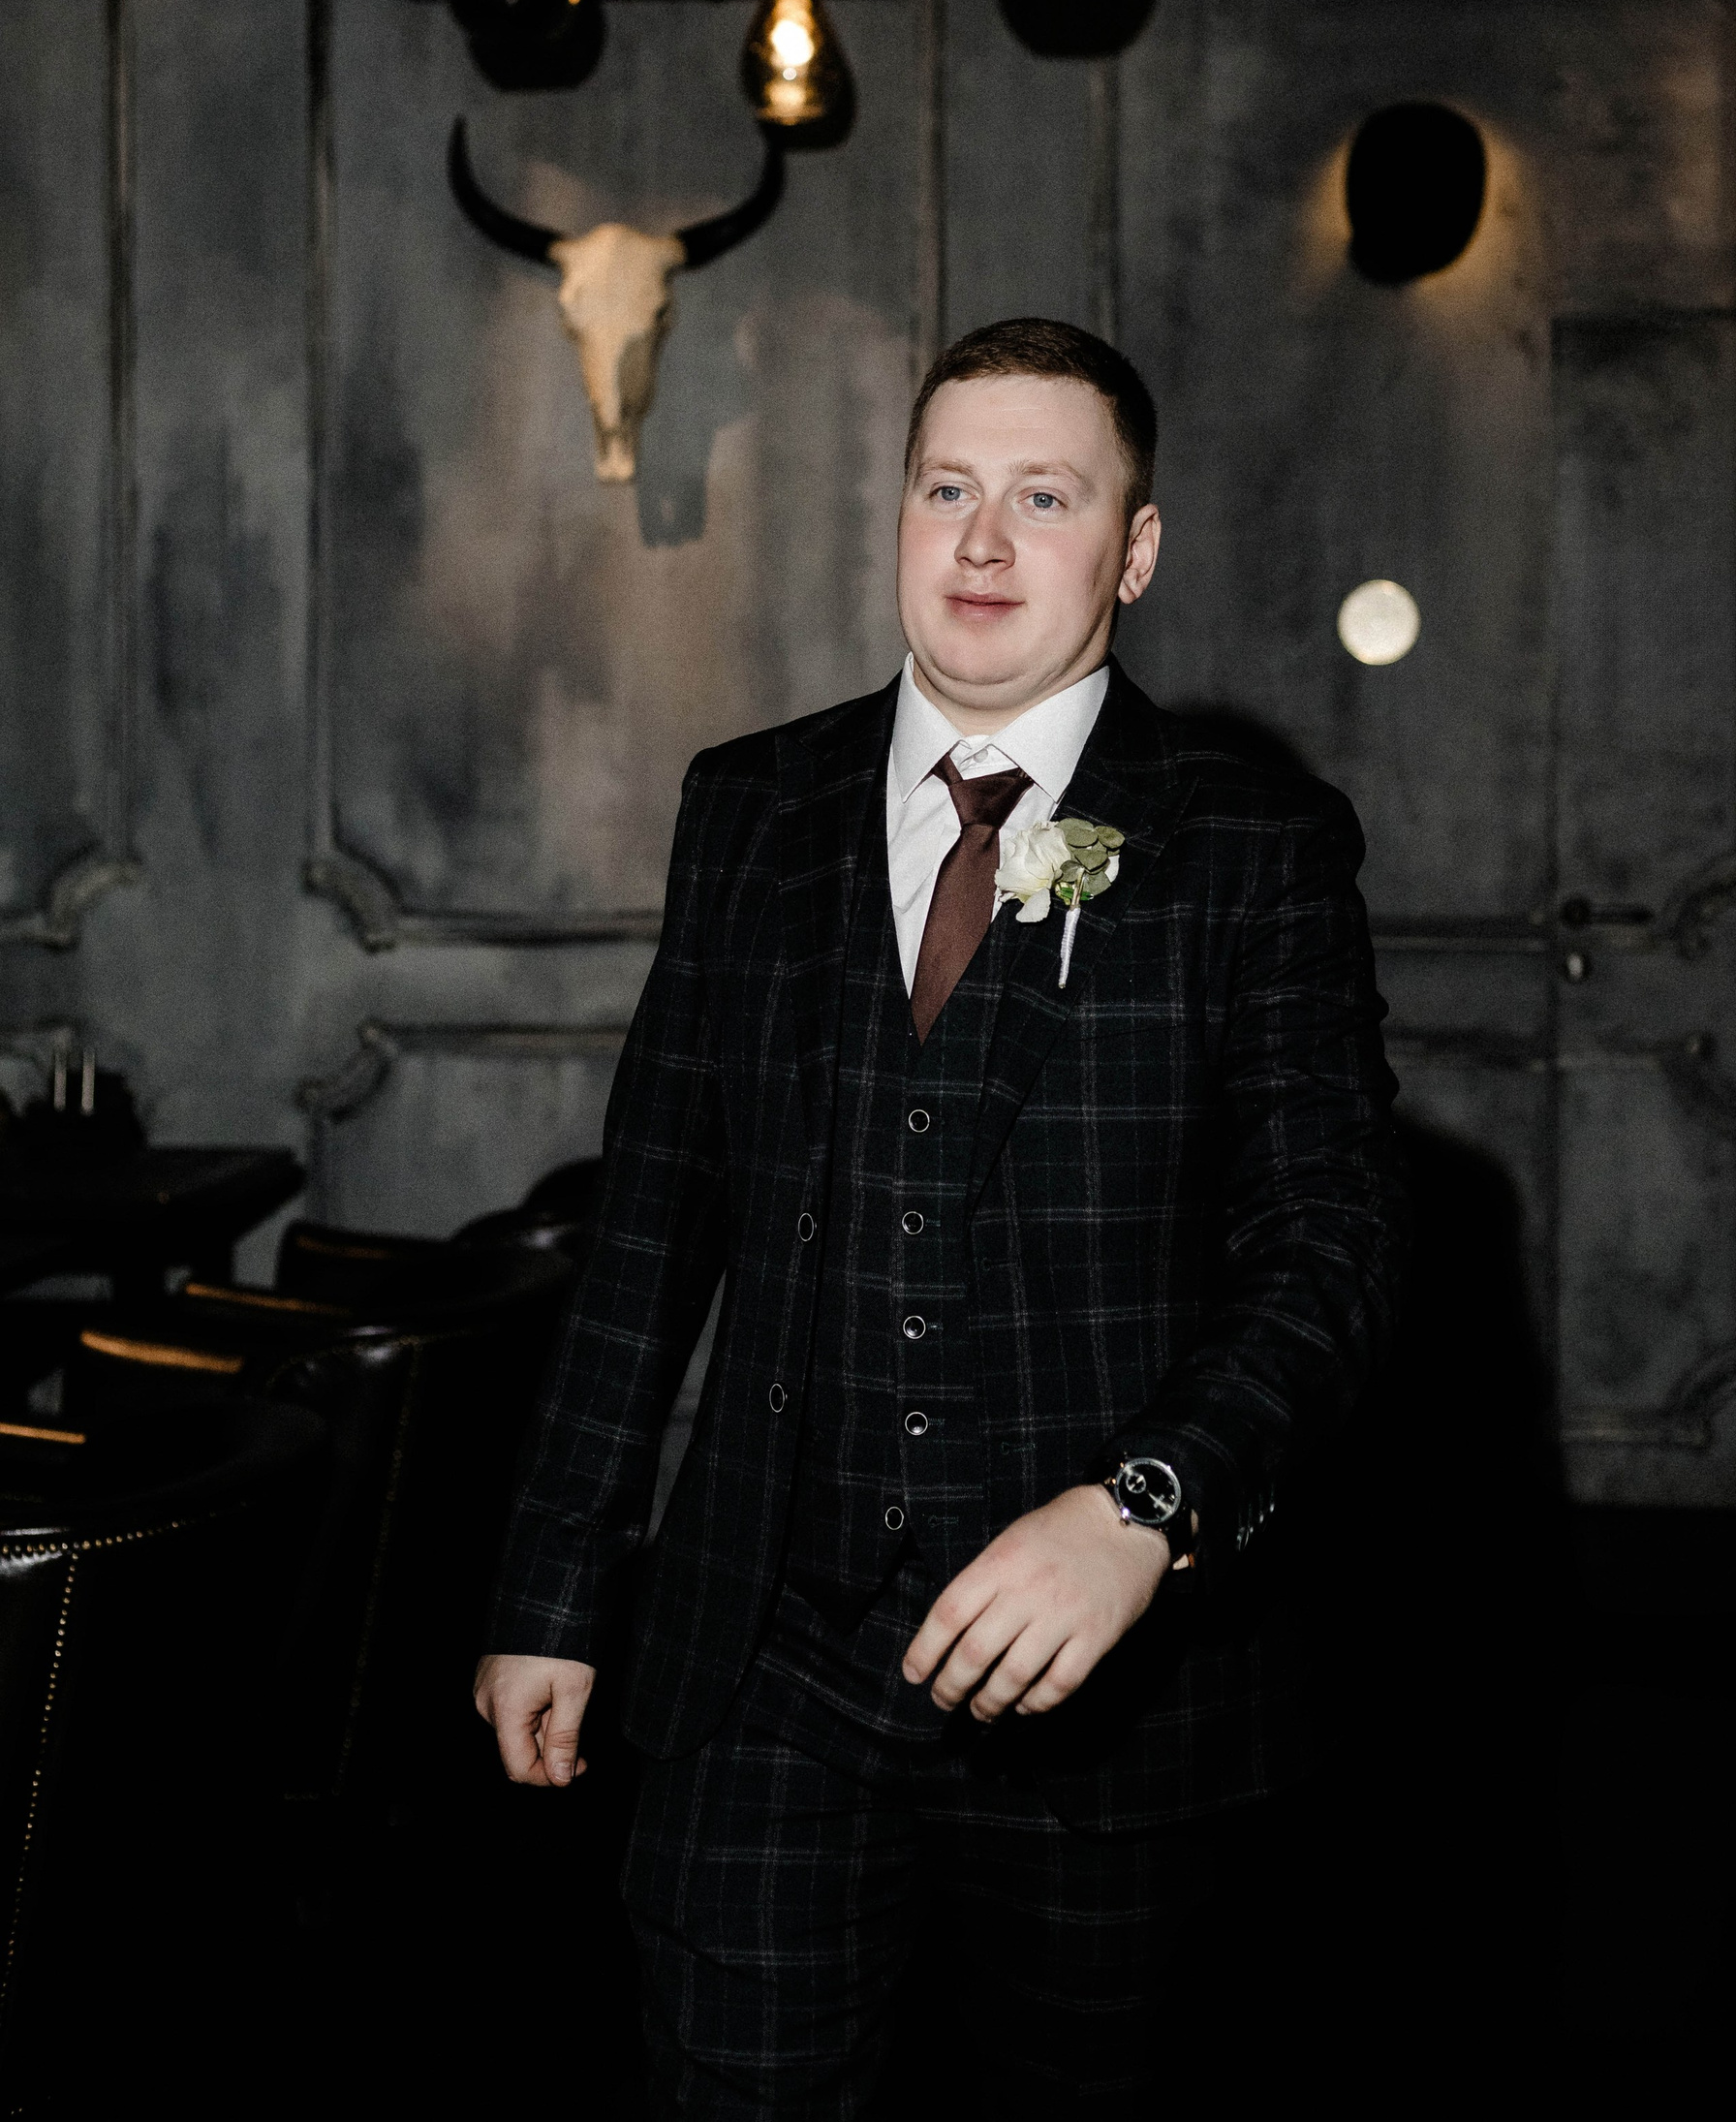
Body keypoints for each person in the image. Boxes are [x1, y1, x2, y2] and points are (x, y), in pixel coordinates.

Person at [476, 316, 1406, 2114]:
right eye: (946, 490)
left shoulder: (1255, 845)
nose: (982, 542)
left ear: (1134, 548)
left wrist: (1146, 1511)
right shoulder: (748, 808)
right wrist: (554, 1589)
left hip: (1118, 1714)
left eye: (1045, 498)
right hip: (765, 1663)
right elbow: (651, 1227)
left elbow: (1334, 1250)